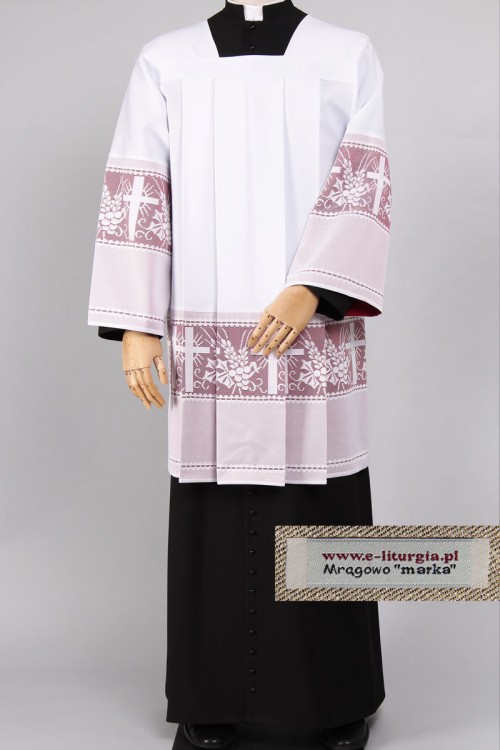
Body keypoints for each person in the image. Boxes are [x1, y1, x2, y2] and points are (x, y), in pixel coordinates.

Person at [88, 2, 392, 748]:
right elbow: (140, 185)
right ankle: (213, 698)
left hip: (309, 325)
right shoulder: (167, 59)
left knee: (319, 499)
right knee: (214, 511)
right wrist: (137, 321)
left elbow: (363, 178)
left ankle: (334, 699)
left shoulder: (346, 53)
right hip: (206, 318)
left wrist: (314, 286)